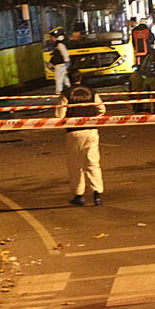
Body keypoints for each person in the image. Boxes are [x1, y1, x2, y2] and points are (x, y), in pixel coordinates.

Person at [56, 69, 106, 206]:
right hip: (91, 131)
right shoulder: (91, 92)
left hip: (73, 133)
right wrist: (93, 118)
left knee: (75, 165)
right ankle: (97, 195)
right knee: (92, 163)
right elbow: (102, 109)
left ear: (69, 79)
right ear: (81, 78)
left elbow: (59, 115)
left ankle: (79, 195)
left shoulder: (66, 93)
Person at [47, 27, 71, 93]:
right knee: (63, 76)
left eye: (52, 37)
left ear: (56, 37)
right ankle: (69, 87)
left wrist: (67, 61)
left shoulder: (60, 44)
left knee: (58, 77)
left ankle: (58, 91)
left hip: (60, 64)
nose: (50, 38)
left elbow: (65, 53)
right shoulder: (59, 44)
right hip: (62, 63)